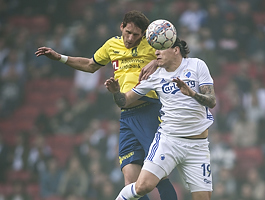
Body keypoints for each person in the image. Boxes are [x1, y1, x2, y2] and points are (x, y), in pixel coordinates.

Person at [35, 10, 177, 200]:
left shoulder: (152, 43)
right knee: (131, 182)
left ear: (143, 34)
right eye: (128, 32)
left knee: (159, 175)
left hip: (149, 111)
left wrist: (156, 61)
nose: (130, 38)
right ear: (122, 27)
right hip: (126, 116)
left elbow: (177, 53)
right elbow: (90, 65)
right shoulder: (112, 45)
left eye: (136, 35)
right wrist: (60, 57)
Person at [105, 38, 216, 200]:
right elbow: (125, 100)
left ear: (176, 50)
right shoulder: (154, 76)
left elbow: (211, 101)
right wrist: (116, 93)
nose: (156, 52)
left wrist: (191, 93)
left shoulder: (197, 65)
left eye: (161, 49)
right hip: (169, 141)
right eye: (155, 49)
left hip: (197, 147)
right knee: (143, 186)